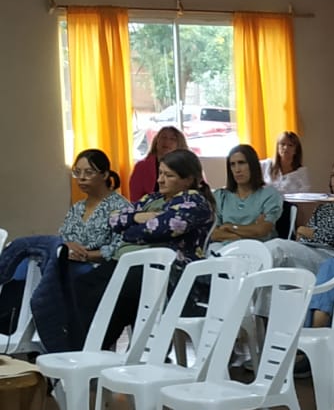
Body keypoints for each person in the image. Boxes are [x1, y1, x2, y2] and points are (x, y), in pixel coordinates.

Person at [65, 150, 216, 352]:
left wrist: (134, 227)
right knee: (83, 284)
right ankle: (85, 348)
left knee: (115, 292)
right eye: (160, 173)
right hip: (134, 265)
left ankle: (98, 349)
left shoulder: (194, 202)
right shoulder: (152, 199)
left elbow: (165, 227)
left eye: (168, 175)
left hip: (172, 273)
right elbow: (114, 219)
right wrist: (139, 218)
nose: (161, 180)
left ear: (188, 179)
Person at [0, 150, 132, 352]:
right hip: (68, 260)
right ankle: (12, 323)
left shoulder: (121, 207)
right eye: (77, 172)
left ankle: (51, 333)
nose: (81, 178)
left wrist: (87, 254)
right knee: (24, 267)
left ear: (105, 175)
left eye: (88, 172)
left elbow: (120, 248)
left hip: (97, 267)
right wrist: (67, 247)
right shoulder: (78, 207)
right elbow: (63, 238)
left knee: (52, 275)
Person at [209, 144, 284, 243]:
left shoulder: (270, 194)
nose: (237, 170)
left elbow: (261, 230)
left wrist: (229, 227)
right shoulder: (220, 196)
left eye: (242, 163)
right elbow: (214, 234)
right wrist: (247, 233)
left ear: (252, 165)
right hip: (227, 249)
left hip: (261, 249)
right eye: (232, 164)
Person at [128, 126, 188, 201]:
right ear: (156, 141)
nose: (167, 142)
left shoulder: (189, 165)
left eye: (173, 139)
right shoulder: (142, 166)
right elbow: (135, 198)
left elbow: (200, 190)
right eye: (163, 137)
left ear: (180, 144)